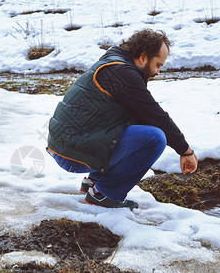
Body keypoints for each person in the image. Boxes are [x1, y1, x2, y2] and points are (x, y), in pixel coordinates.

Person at [46, 29, 198, 210]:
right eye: (158, 65)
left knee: (136, 119)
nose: (158, 72)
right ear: (143, 57)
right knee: (155, 138)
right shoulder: (122, 73)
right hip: (71, 153)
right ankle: (106, 194)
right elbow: (156, 115)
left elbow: (141, 114)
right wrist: (185, 151)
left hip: (68, 145)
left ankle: (95, 181)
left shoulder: (114, 62)